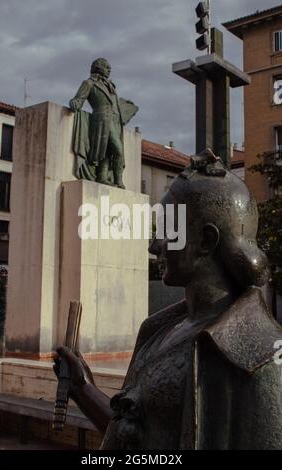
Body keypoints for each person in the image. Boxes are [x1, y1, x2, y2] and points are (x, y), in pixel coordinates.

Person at [54, 149, 282, 450]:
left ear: (206, 241)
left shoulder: (260, 358)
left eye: (167, 230)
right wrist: (83, 389)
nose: (153, 245)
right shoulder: (156, 331)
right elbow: (131, 438)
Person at [69, 58, 137, 189]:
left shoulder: (111, 86)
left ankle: (102, 176)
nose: (109, 70)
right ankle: (118, 180)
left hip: (116, 121)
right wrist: (74, 103)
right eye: (106, 67)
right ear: (98, 67)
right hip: (102, 119)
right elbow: (79, 99)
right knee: (117, 149)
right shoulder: (89, 83)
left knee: (108, 151)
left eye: (109, 68)